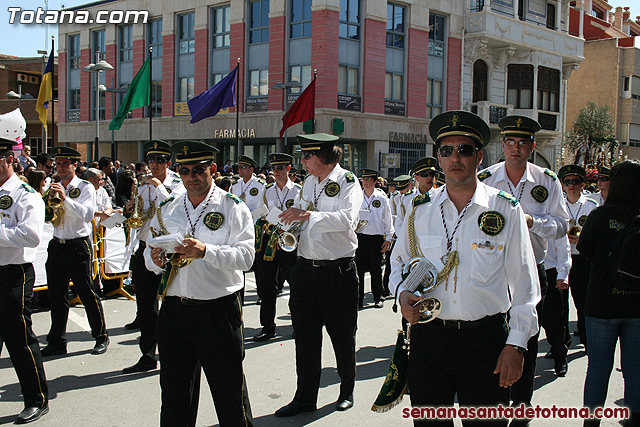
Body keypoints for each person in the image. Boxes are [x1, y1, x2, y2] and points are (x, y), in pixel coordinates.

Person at [392, 110, 540, 426]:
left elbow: (526, 283)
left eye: (465, 150)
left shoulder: (504, 208)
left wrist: (516, 344)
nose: (455, 157)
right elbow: (399, 261)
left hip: (485, 342)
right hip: (429, 339)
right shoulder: (420, 210)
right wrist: (401, 293)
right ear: (438, 158)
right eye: (447, 150)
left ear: (479, 156)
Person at [145, 140, 254, 426]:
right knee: (174, 395)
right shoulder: (168, 207)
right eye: (184, 171)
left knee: (229, 394)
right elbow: (149, 250)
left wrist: (205, 251)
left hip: (217, 311)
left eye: (198, 170)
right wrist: (155, 259)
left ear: (213, 170)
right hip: (174, 311)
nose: (191, 177)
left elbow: (246, 257)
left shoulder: (233, 207)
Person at [478, 115, 568, 422]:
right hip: (494, 271)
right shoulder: (486, 177)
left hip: (533, 270)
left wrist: (534, 223)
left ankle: (522, 402)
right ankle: (494, 396)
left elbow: (562, 225)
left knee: (527, 335)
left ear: (532, 146)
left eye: (523, 143)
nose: (516, 148)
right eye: (510, 142)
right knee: (493, 334)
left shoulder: (547, 180)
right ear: (502, 144)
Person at [275, 133, 363, 416]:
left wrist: (307, 216)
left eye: (306, 155)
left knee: (342, 336)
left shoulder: (348, 181)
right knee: (305, 338)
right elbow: (303, 216)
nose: (302, 161)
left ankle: (346, 390)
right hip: (305, 269)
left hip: (337, 271)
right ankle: (304, 397)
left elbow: (346, 220)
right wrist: (288, 225)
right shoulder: (309, 182)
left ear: (322, 157)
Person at [577, 160, 640, 427]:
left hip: (602, 302)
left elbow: (585, 250)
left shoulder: (600, 216)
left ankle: (592, 421)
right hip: (637, 305)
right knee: (635, 369)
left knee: (599, 367)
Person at [122, 140, 185, 374]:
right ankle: (147, 355)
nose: (155, 164)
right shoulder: (142, 184)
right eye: (151, 160)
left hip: (166, 249)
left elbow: (172, 207)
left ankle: (174, 353)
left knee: (171, 304)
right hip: (145, 245)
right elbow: (144, 212)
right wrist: (131, 208)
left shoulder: (176, 183)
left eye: (160, 160)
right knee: (146, 306)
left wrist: (158, 186)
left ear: (168, 163)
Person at [40, 146, 109, 356]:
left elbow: (87, 214)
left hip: (78, 245)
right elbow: (46, 215)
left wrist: (65, 199)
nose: (60, 168)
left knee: (87, 292)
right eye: (58, 164)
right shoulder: (54, 186)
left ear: (75, 165)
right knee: (57, 295)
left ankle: (101, 336)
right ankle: (57, 340)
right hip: (57, 243)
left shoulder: (86, 187)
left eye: (64, 164)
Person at [0, 134, 49, 424]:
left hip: (13, 274)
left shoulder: (25, 193)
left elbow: (31, 236)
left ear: (9, 159)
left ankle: (36, 398)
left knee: (19, 339)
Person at [253, 153, 300, 341]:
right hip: (269, 243)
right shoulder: (267, 191)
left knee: (295, 286)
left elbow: (303, 216)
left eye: (280, 168)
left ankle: (298, 325)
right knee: (266, 287)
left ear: (289, 168)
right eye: (273, 168)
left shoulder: (298, 191)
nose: (276, 172)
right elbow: (259, 213)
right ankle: (267, 326)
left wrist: (288, 231)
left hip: (289, 242)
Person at [558, 164, 598, 354]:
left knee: (583, 302)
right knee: (560, 306)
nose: (571, 186)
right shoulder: (557, 205)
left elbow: (599, 235)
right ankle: (561, 344)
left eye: (575, 182)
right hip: (562, 258)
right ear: (562, 185)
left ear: (583, 184)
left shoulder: (592, 206)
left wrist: (584, 239)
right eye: (567, 182)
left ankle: (586, 338)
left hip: (582, 259)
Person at [355, 168, 393, 309]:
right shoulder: (357, 196)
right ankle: (358, 299)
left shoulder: (381, 198)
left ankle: (378, 297)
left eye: (368, 180)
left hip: (375, 238)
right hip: (360, 237)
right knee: (358, 270)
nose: (365, 182)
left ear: (375, 181)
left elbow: (388, 220)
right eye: (363, 180)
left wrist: (388, 238)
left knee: (376, 270)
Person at [541, 234, 572, 377]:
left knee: (555, 319)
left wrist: (562, 274)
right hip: (529, 269)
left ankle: (560, 357)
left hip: (551, 271)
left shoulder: (553, 216)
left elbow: (563, 247)